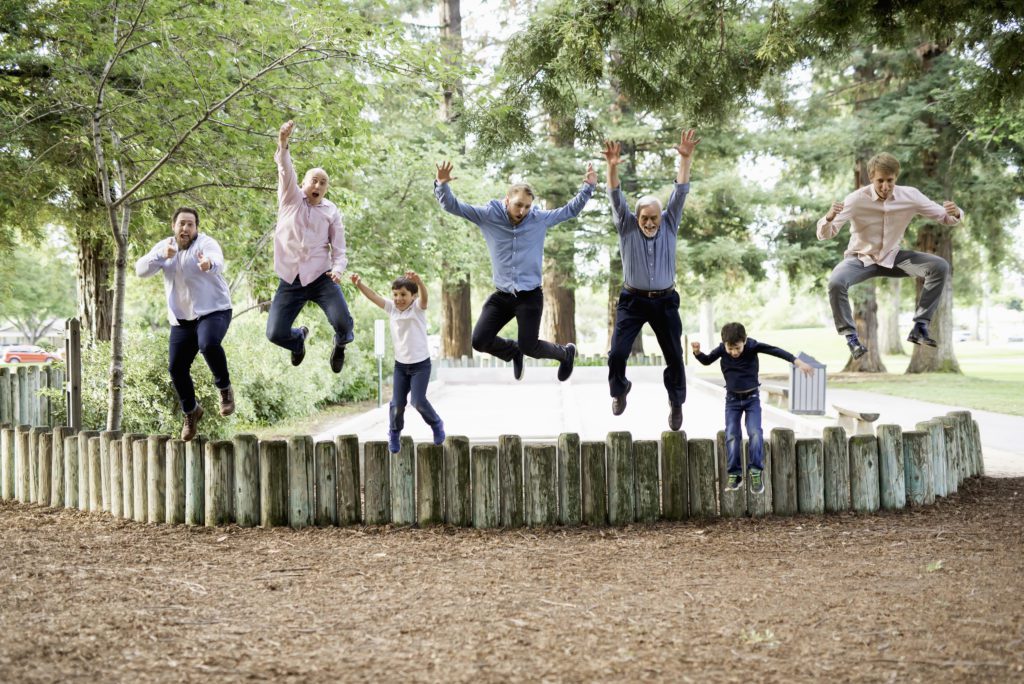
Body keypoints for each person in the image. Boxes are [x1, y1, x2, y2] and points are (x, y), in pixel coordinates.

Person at [433, 160, 597, 382]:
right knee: (479, 341)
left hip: (529, 296)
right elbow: (454, 206)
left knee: (531, 346)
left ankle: (565, 353)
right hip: (502, 295)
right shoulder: (488, 215)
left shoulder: (538, 219)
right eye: (519, 205)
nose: (523, 211)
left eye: (527, 206)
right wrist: (442, 185)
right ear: (507, 199)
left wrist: (588, 188)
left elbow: (569, 211)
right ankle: (512, 351)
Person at [818, 152, 963, 358]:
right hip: (860, 259)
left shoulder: (910, 196)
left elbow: (944, 217)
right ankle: (851, 338)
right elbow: (826, 234)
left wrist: (956, 212)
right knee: (836, 282)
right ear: (871, 177)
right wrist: (829, 218)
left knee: (939, 266)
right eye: (880, 181)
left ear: (896, 177)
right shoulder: (856, 199)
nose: (885, 186)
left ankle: (920, 326)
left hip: (893, 258)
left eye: (890, 181)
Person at [604, 129, 699, 431]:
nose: (648, 222)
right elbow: (615, 196)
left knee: (674, 356)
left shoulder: (670, 223)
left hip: (665, 301)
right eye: (644, 217)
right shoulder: (627, 227)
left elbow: (681, 191)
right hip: (632, 301)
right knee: (617, 353)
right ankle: (619, 390)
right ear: (637, 217)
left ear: (661, 217)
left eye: (653, 218)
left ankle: (676, 402)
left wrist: (684, 160)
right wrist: (612, 167)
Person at [135, 207, 234, 441]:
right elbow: (140, 270)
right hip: (182, 320)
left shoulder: (206, 244)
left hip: (214, 311)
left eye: (190, 224)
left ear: (196, 228)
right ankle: (191, 411)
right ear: (174, 226)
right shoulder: (165, 247)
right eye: (182, 224)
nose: (186, 228)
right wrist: (160, 255)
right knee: (176, 368)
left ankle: (225, 390)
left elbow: (217, 260)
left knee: (208, 344)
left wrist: (208, 264)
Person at [266, 120, 354, 372]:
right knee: (274, 333)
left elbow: (339, 248)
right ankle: (297, 340)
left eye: (322, 183)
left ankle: (339, 345)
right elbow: (285, 169)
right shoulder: (290, 198)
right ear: (304, 183)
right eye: (313, 180)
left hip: (320, 277)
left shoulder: (331, 211)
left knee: (343, 323)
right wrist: (283, 143)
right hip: (291, 278)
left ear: (326, 189)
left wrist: (338, 270)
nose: (317, 186)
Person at [692, 322, 813, 494]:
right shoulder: (721, 349)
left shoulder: (752, 346)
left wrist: (798, 362)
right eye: (730, 348)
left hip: (752, 399)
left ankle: (756, 472)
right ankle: (735, 474)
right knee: (732, 434)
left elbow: (775, 350)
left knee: (755, 432)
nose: (734, 352)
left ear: (745, 341)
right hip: (732, 400)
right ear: (724, 344)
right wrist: (697, 353)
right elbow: (706, 361)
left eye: (738, 348)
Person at [350, 271, 444, 454]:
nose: (398, 298)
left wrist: (420, 282)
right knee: (397, 403)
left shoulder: (417, 308)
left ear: (412, 296)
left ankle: (437, 424)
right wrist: (359, 284)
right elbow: (374, 296)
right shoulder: (391, 308)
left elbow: (425, 298)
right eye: (395, 294)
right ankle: (394, 433)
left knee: (417, 401)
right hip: (401, 366)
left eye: (403, 294)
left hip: (420, 365)